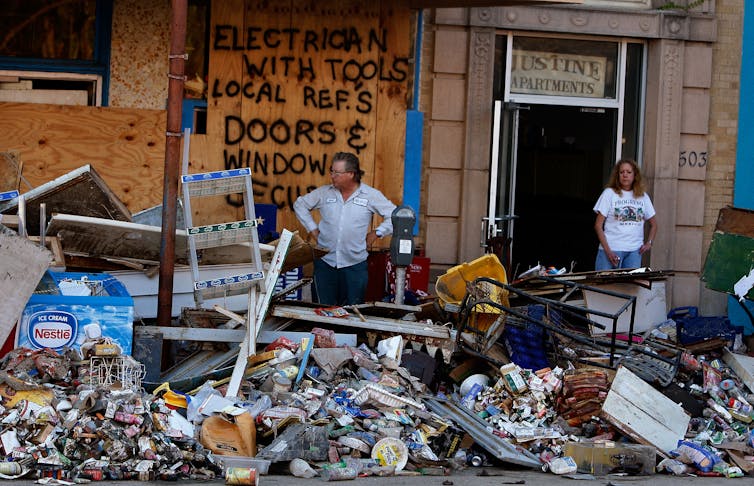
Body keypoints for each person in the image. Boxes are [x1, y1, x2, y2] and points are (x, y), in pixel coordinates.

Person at [293, 152, 396, 305]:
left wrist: (377, 233)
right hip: (325, 262)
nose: (332, 175)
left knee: (352, 313)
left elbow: (395, 216)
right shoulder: (324, 193)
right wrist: (313, 229)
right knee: (323, 312)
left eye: (337, 172)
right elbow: (300, 204)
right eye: (331, 171)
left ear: (351, 174)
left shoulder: (370, 195)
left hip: (355, 265)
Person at [593, 159, 657, 270]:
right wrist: (608, 252)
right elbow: (598, 225)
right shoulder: (609, 193)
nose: (625, 175)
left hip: (634, 252)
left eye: (628, 172)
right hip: (611, 249)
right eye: (621, 172)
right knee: (604, 287)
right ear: (617, 175)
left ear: (635, 175)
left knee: (630, 287)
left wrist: (649, 243)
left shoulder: (643, 196)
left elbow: (654, 224)